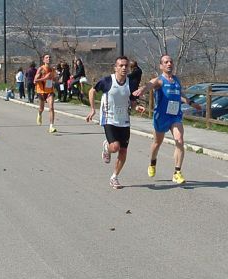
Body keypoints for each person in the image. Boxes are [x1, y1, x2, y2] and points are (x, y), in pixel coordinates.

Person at [133, 54, 201, 184]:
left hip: (175, 116)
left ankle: (177, 172)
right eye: (166, 62)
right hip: (161, 116)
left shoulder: (176, 80)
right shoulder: (159, 80)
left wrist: (191, 103)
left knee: (180, 140)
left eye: (170, 62)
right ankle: (152, 163)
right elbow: (150, 85)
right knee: (157, 143)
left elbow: (179, 95)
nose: (169, 64)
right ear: (161, 66)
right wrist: (142, 89)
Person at [86, 56, 145, 189]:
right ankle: (107, 146)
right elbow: (92, 91)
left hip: (124, 120)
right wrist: (92, 109)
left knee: (123, 151)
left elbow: (132, 100)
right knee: (115, 147)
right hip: (109, 119)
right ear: (115, 68)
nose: (124, 68)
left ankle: (114, 177)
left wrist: (137, 107)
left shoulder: (131, 83)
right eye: (121, 66)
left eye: (126, 66)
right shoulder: (107, 81)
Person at [34, 54, 57, 133]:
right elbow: (35, 81)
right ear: (44, 60)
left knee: (51, 108)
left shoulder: (53, 70)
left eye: (50, 57)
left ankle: (51, 127)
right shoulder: (41, 69)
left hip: (50, 91)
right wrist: (45, 78)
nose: (49, 58)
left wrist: (56, 79)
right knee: (41, 108)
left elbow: (54, 79)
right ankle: (39, 114)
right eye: (47, 57)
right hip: (41, 91)